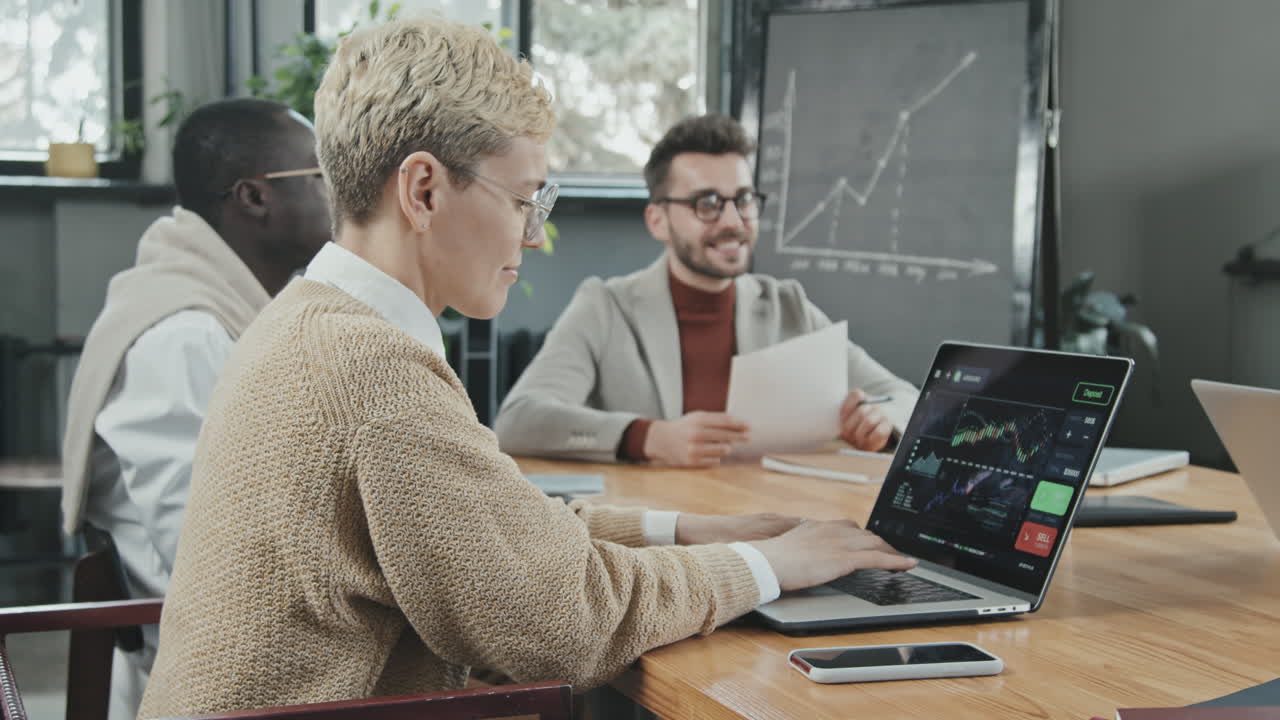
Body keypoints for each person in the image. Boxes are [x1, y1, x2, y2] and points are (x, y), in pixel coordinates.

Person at [137, 16, 914, 718]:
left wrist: (683, 529)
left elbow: (496, 535)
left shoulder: (311, 320)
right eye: (524, 201)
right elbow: (563, 623)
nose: (535, 237)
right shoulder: (369, 368)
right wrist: (770, 563)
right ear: (423, 189)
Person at [59, 98, 330, 720]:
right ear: (253, 198)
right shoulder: (183, 334)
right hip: (212, 673)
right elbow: (208, 550)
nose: (339, 193)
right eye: (319, 176)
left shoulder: (241, 309)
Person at [494, 113, 919, 467]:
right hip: (663, 546)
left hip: (771, 531)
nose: (733, 221)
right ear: (658, 220)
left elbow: (905, 397)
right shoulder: (605, 306)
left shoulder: (787, 306)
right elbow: (519, 421)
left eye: (744, 199)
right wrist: (647, 437)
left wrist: (880, 418)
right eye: (708, 204)